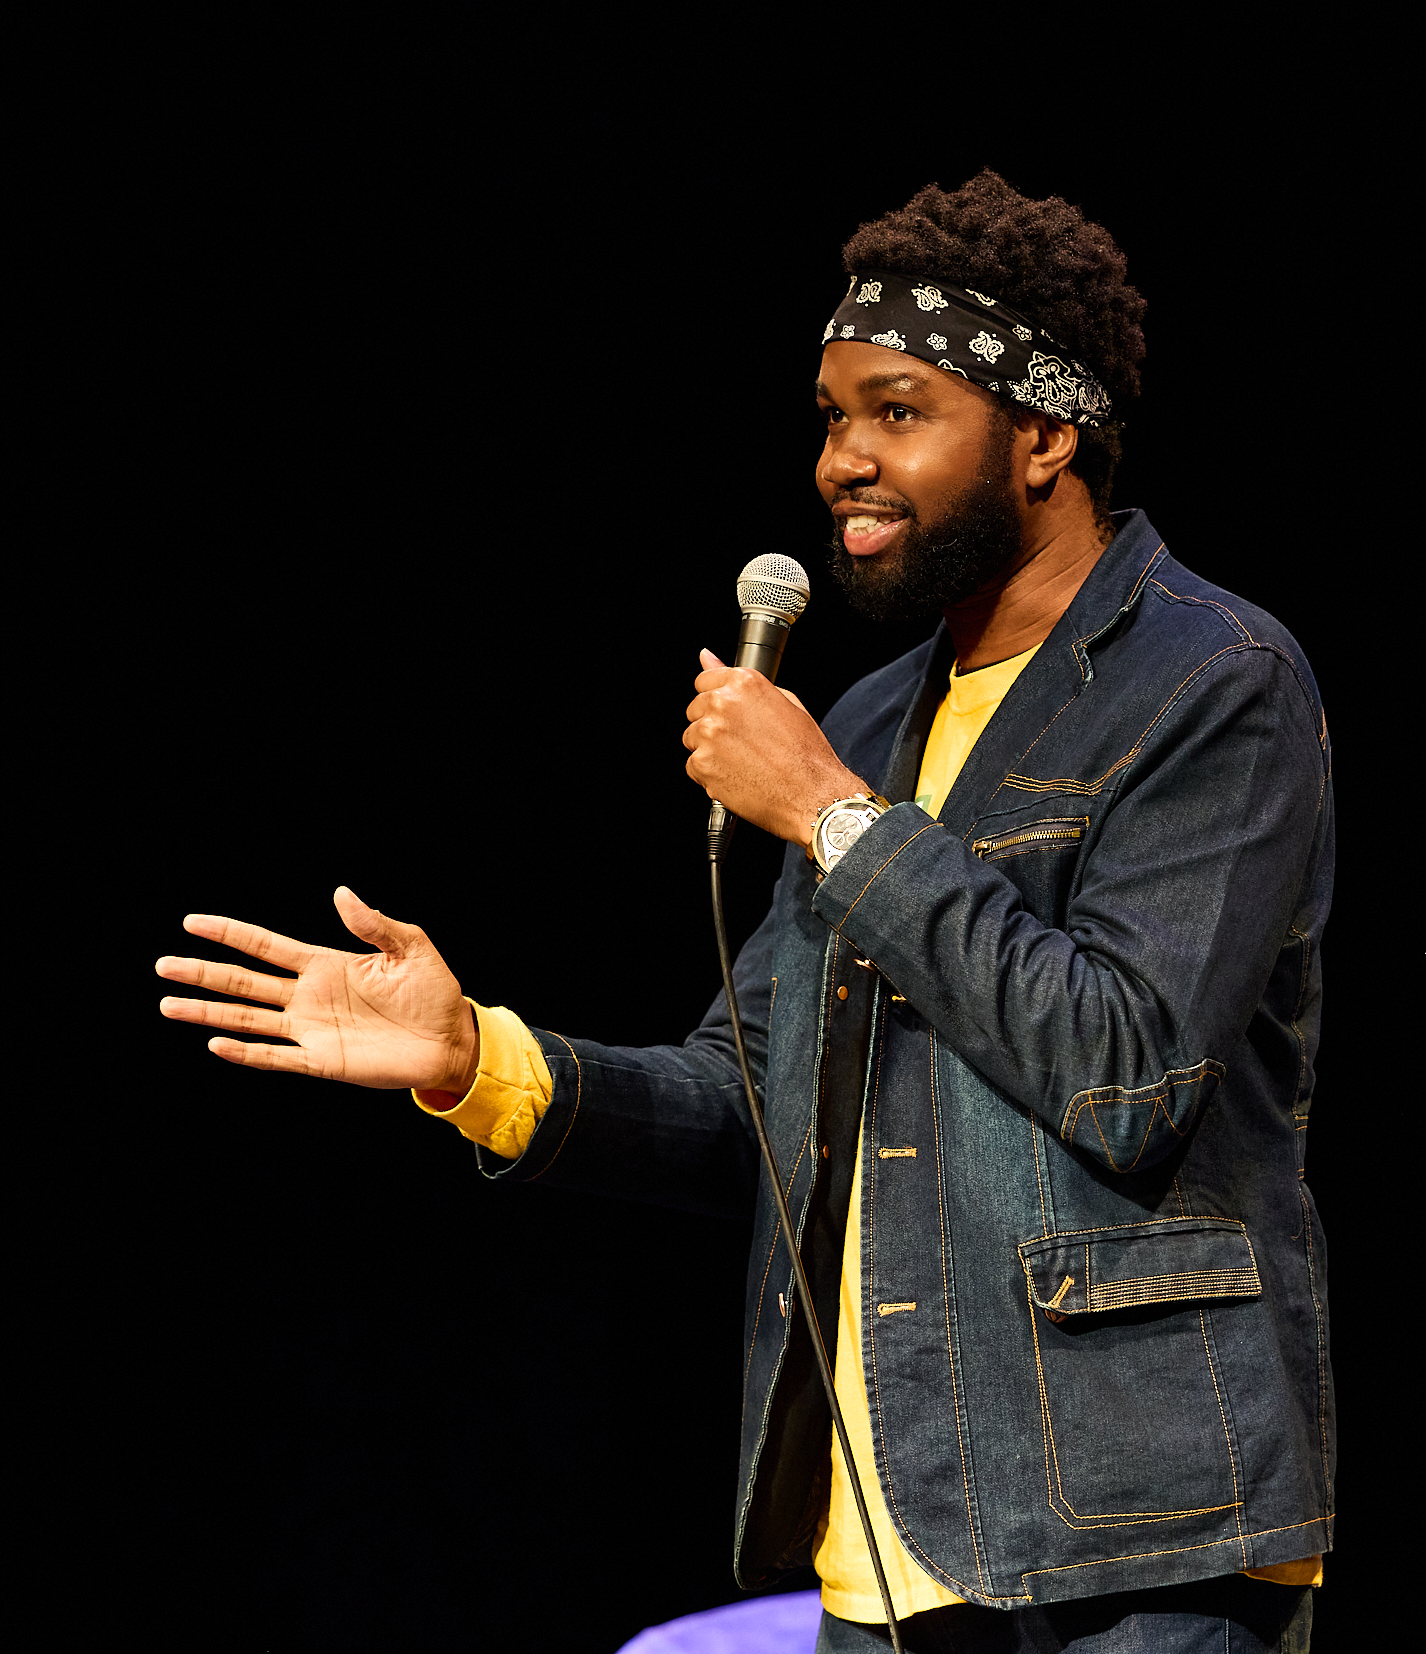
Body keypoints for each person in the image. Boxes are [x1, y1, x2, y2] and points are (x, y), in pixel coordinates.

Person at [156, 171, 1333, 1654]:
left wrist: (833, 816)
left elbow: (1123, 1065)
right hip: (886, 1551)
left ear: (1042, 435)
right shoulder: (872, 718)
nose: (843, 457)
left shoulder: (1212, 681)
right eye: (832, 414)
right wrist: (478, 1060)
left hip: (1134, 1550)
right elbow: (752, 1112)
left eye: (896, 411)